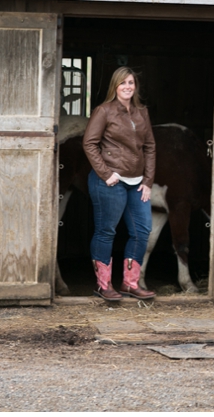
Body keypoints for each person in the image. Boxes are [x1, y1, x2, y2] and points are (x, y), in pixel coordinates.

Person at [82, 66, 157, 301]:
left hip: (137, 183)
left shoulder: (142, 112)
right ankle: (104, 285)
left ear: (135, 87)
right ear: (115, 86)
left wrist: (148, 180)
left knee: (142, 231)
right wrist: (106, 174)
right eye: (123, 83)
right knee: (107, 231)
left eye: (131, 83)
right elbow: (89, 143)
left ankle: (130, 283)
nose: (127, 87)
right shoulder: (104, 111)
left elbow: (150, 147)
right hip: (110, 182)